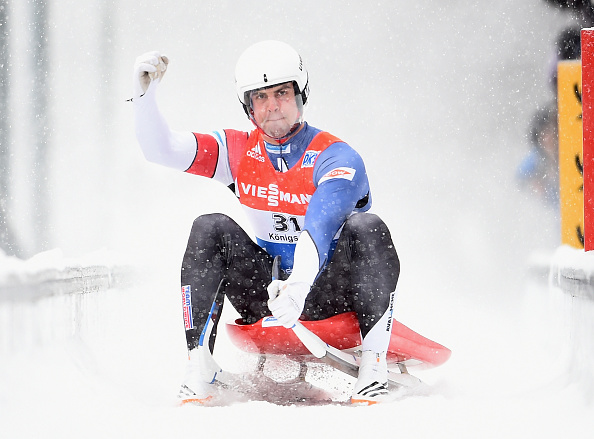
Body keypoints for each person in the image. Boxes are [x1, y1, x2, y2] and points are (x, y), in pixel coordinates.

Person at [132, 40, 401, 405]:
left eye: (282, 93)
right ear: (248, 106)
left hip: (333, 294)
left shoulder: (337, 155)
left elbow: (320, 226)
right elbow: (161, 150)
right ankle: (199, 366)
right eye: (260, 97)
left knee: (367, 227)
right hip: (268, 294)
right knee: (209, 225)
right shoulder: (237, 150)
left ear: (300, 94)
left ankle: (373, 368)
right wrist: (144, 100)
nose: (273, 106)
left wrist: (299, 287)